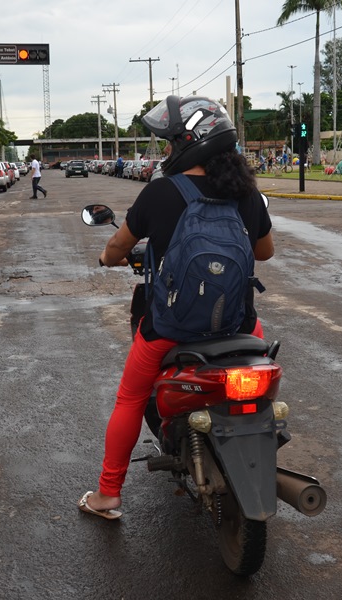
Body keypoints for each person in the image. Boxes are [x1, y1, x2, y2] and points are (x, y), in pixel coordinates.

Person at [78, 95, 274, 519]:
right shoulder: (248, 194)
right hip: (241, 326)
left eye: (169, 143)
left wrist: (106, 259)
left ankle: (108, 495)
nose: (166, 152)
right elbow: (266, 252)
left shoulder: (162, 192)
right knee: (263, 384)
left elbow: (117, 248)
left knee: (130, 398)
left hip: (171, 328)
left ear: (190, 142)